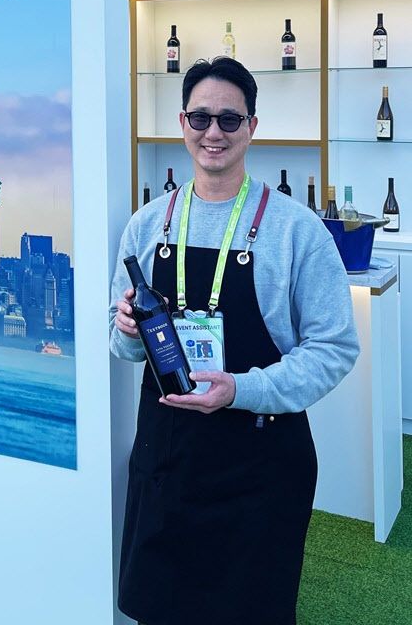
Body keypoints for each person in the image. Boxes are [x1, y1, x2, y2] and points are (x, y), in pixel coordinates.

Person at [109, 57, 359, 625]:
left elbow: (335, 347)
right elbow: (123, 349)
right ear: (182, 123)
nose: (213, 133)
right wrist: (125, 330)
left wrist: (241, 389)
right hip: (166, 462)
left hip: (259, 470)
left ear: (252, 126)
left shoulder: (296, 230)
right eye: (200, 118)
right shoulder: (146, 225)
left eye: (229, 119)